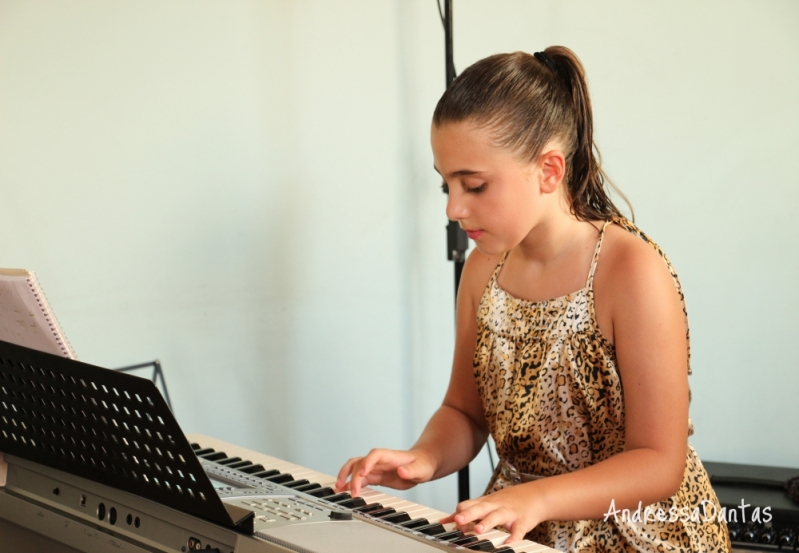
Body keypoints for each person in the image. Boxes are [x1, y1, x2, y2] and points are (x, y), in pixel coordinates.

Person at [335, 46, 730, 552]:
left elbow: (658, 462)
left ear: (549, 170)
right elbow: (465, 411)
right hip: (526, 526)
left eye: (474, 185)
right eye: (446, 187)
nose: (456, 208)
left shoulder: (631, 271)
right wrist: (424, 459)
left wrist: (537, 499)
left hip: (640, 533)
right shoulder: (483, 270)